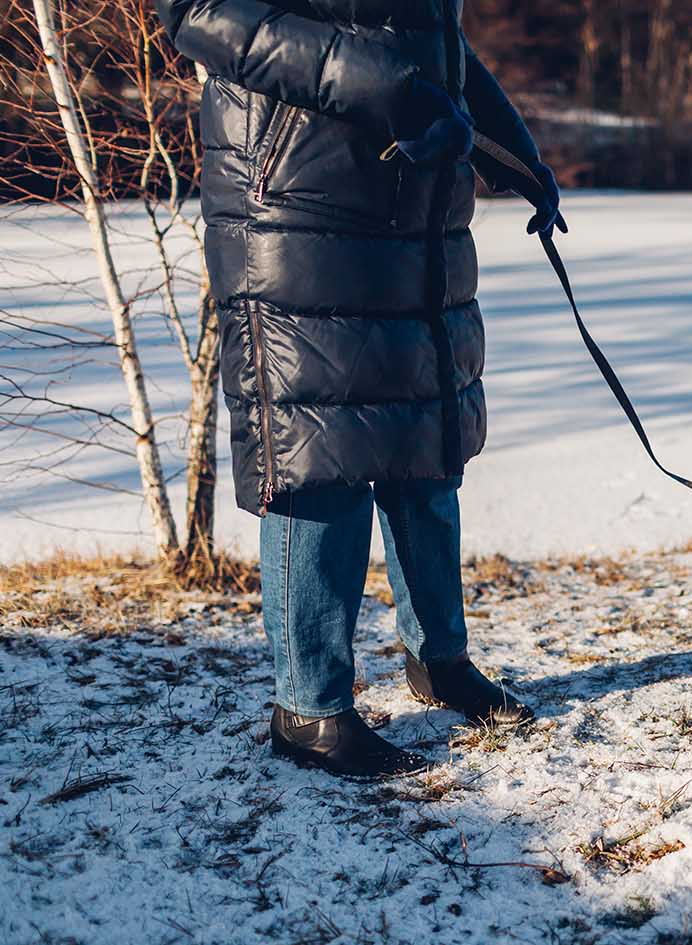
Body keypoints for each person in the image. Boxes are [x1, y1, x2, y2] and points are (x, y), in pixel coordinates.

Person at [156, 0, 564, 779]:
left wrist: (513, 149)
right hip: (295, 200)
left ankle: (439, 660)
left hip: (415, 206)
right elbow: (195, 12)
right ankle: (308, 709)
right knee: (320, 458)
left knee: (425, 444)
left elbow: (435, 46)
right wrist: (387, 86)